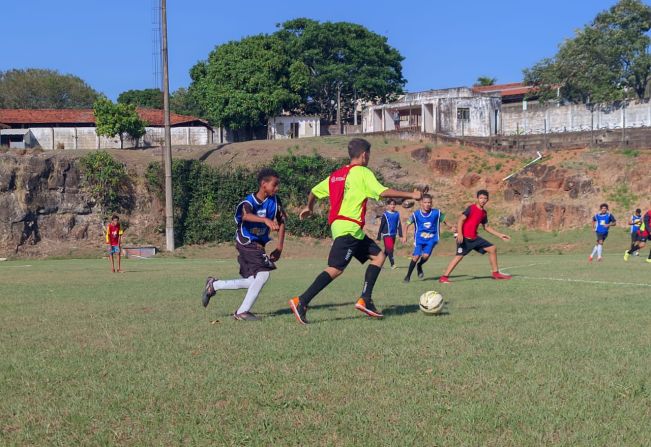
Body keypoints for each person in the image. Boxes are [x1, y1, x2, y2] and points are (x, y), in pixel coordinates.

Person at [288, 138, 422, 325]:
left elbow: (314, 191)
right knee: (336, 268)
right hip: (349, 227)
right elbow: (382, 192)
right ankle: (301, 301)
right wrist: (411, 195)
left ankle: (365, 299)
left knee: (379, 256)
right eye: (369, 155)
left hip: (344, 227)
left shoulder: (337, 175)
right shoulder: (362, 172)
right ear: (364, 155)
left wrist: (308, 207)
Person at [201, 168, 286, 321]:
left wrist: (279, 247)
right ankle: (242, 312)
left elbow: (282, 222)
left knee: (252, 281)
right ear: (263, 184)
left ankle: (214, 285)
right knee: (264, 274)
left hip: (258, 245)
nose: (277, 188)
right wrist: (265, 220)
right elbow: (246, 215)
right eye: (275, 184)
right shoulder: (248, 201)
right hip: (246, 242)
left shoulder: (275, 200)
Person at [439, 190, 512, 283]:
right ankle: (444, 277)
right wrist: (460, 234)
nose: (483, 200)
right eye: (481, 198)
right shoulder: (471, 208)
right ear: (477, 198)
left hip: (474, 238)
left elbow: (486, 227)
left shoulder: (484, 213)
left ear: (487, 200)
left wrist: (500, 235)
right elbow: (460, 220)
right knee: (459, 257)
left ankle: (496, 273)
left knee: (492, 248)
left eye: (485, 198)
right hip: (464, 238)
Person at [402, 194, 450, 282]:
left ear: (431, 203)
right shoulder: (416, 214)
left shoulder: (436, 213)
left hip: (431, 239)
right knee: (416, 256)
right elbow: (406, 224)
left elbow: (444, 220)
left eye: (429, 202)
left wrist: (451, 227)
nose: (427, 204)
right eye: (425, 202)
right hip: (419, 239)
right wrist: (404, 236)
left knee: (426, 256)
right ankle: (408, 276)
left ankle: (419, 265)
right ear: (421, 203)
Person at [376, 199, 403, 269]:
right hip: (386, 234)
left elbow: (399, 224)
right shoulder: (385, 214)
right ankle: (393, 265)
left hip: (393, 234)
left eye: (394, 204)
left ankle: (379, 263)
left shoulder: (397, 214)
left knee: (387, 251)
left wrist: (400, 235)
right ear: (388, 205)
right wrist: (379, 236)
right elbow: (381, 225)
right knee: (390, 249)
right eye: (391, 204)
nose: (392, 206)